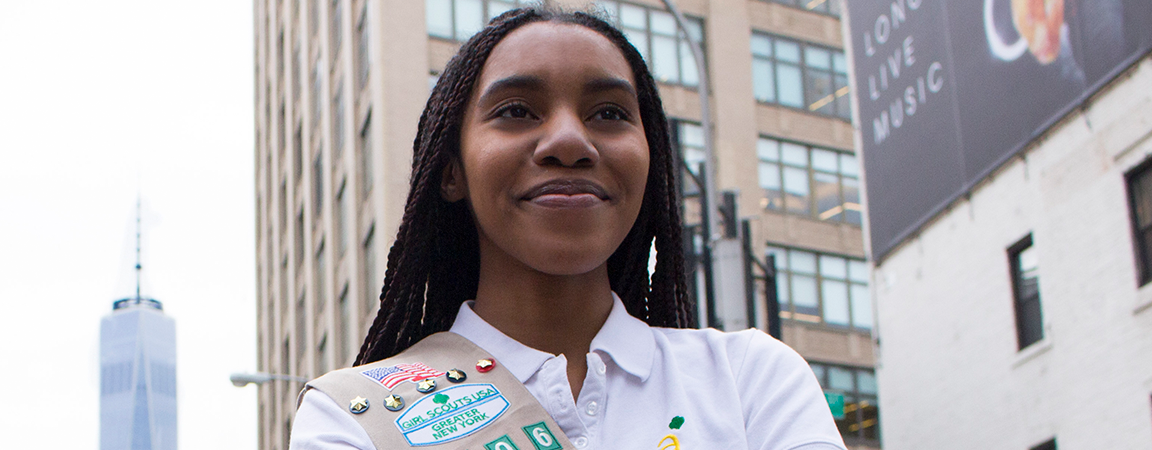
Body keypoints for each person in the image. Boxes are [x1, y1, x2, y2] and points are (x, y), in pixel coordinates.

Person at [289, 8, 843, 450]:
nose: (570, 142)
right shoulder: (352, 419)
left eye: (609, 113)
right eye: (516, 111)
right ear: (451, 169)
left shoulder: (749, 378)